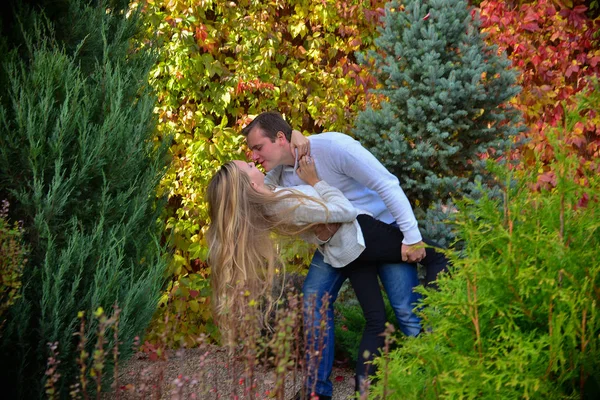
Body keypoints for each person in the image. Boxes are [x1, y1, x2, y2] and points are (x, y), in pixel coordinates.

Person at [206, 158, 448, 397]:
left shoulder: (266, 202)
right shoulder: (283, 203)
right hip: (362, 234)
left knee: (376, 320)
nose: (254, 163)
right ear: (250, 186)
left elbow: (270, 178)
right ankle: (433, 333)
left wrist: (292, 143)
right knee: (440, 258)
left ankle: (362, 393)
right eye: (249, 168)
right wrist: (315, 180)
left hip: (348, 253)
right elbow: (345, 210)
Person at [241, 111, 428, 399]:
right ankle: (317, 392)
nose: (254, 156)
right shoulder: (278, 175)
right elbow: (258, 190)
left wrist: (412, 237)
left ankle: (436, 379)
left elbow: (386, 184)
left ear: (280, 138)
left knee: (405, 310)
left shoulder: (334, 148)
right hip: (341, 243)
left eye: (258, 147)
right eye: (252, 151)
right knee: (314, 297)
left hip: (385, 229)